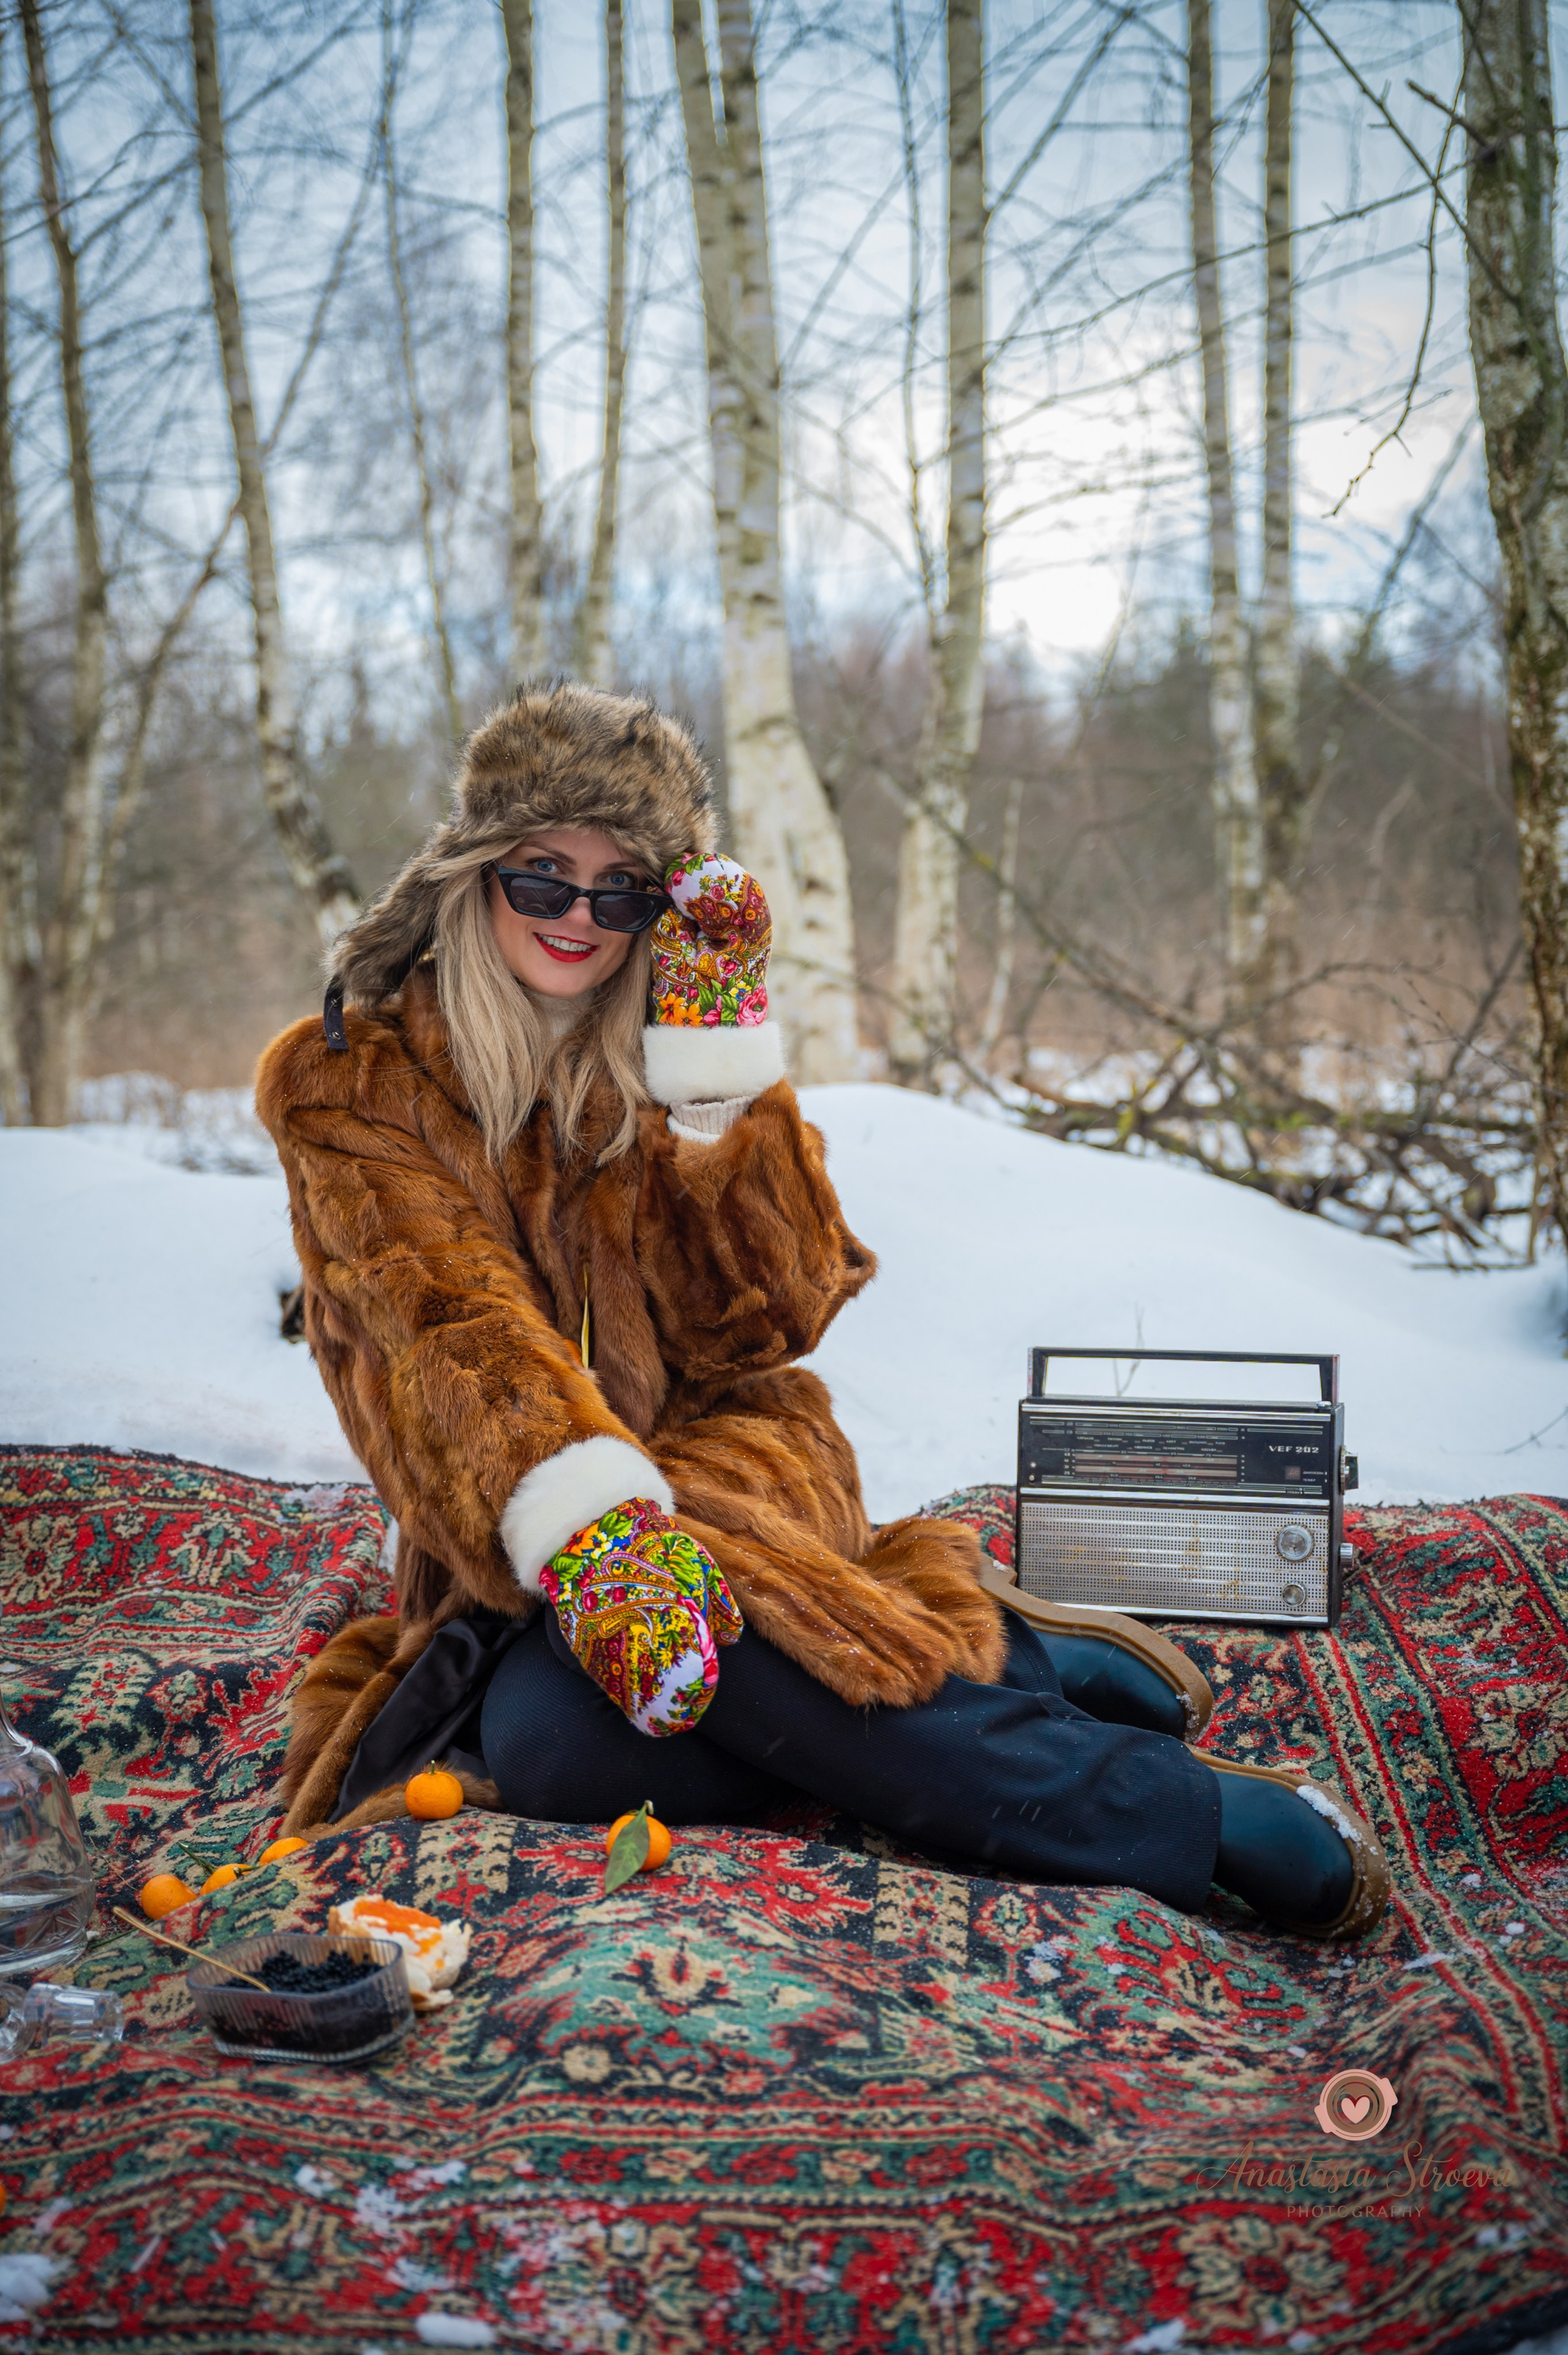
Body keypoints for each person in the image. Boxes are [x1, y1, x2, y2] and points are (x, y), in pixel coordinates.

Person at [256, 682, 1389, 1941]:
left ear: (659, 909)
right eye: (542, 877)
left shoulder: (665, 1036)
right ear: (474, 876)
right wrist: (591, 1535)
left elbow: (770, 1317)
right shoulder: (351, 1079)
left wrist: (709, 1077)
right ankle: (990, 1654)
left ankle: (1177, 1813)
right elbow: (447, 1334)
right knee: (555, 1751)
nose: (579, 916)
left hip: (734, 1453)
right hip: (511, 1511)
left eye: (620, 888)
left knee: (694, 1653)